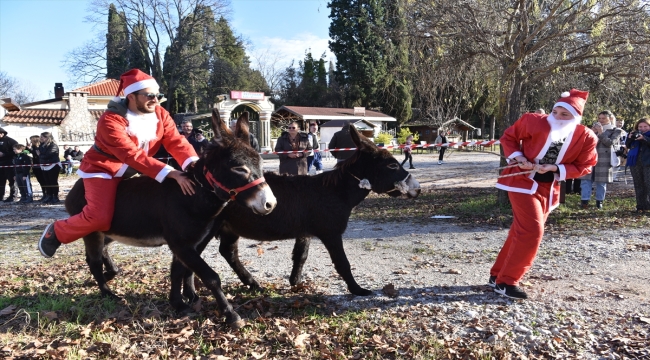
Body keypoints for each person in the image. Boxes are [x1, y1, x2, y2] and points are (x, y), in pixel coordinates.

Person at [37, 69, 199, 258]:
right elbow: (131, 154)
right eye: (150, 95)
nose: (156, 100)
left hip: (136, 168)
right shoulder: (110, 120)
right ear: (131, 96)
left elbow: (175, 141)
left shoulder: (161, 114)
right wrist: (171, 172)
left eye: (158, 95)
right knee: (99, 218)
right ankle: (56, 231)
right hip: (103, 168)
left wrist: (192, 163)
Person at [490, 89, 597, 300]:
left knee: (519, 231)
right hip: (521, 182)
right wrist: (519, 157)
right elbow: (509, 137)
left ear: (576, 117)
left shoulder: (586, 137)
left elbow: (586, 165)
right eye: (555, 111)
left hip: (549, 189)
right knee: (532, 230)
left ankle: (497, 275)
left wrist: (555, 169)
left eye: (564, 114)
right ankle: (507, 281)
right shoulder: (533, 121)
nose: (557, 117)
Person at [579, 110, 622, 209]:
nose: (601, 120)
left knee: (601, 182)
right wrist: (592, 132)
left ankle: (599, 202)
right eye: (599, 118)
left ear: (610, 119)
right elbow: (582, 142)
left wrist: (601, 132)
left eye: (604, 118)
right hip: (589, 158)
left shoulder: (616, 130)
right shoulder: (592, 129)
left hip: (604, 159)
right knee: (585, 180)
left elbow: (610, 143)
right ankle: (584, 201)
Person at [625, 118, 650, 213]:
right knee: (638, 184)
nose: (643, 129)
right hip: (635, 162)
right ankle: (641, 206)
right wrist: (630, 138)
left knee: (649, 184)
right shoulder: (634, 134)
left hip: (648, 162)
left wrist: (644, 139)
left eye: (645, 126)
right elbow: (627, 145)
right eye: (640, 127)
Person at [37, 132, 61, 204]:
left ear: (47, 138)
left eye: (42, 137)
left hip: (53, 165)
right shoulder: (42, 145)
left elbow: (48, 155)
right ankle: (49, 195)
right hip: (44, 165)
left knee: (53, 181)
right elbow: (40, 154)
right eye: (40, 137)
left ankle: (55, 196)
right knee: (47, 182)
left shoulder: (53, 145)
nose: (40, 139)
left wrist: (40, 155)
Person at [0, 127, 19, 202]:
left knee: (12, 180)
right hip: (0, 164)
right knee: (1, 181)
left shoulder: (10, 141)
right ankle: (0, 196)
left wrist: (4, 154)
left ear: (2, 133)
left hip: (9, 163)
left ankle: (13, 196)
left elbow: (16, 151)